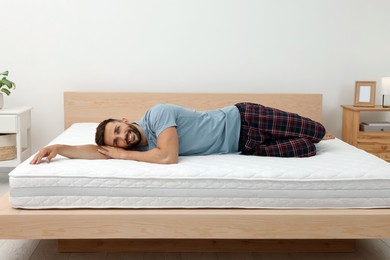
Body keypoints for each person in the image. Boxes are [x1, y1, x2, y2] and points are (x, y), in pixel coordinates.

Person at [30, 102, 328, 165]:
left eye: (119, 130)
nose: (123, 139)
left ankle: (321, 136)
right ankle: (318, 144)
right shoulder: (136, 150)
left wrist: (122, 154)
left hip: (244, 118)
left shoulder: (157, 114)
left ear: (125, 120)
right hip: (244, 146)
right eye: (117, 140)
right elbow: (95, 151)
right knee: (308, 149)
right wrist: (59, 147)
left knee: (318, 131)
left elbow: (169, 157)